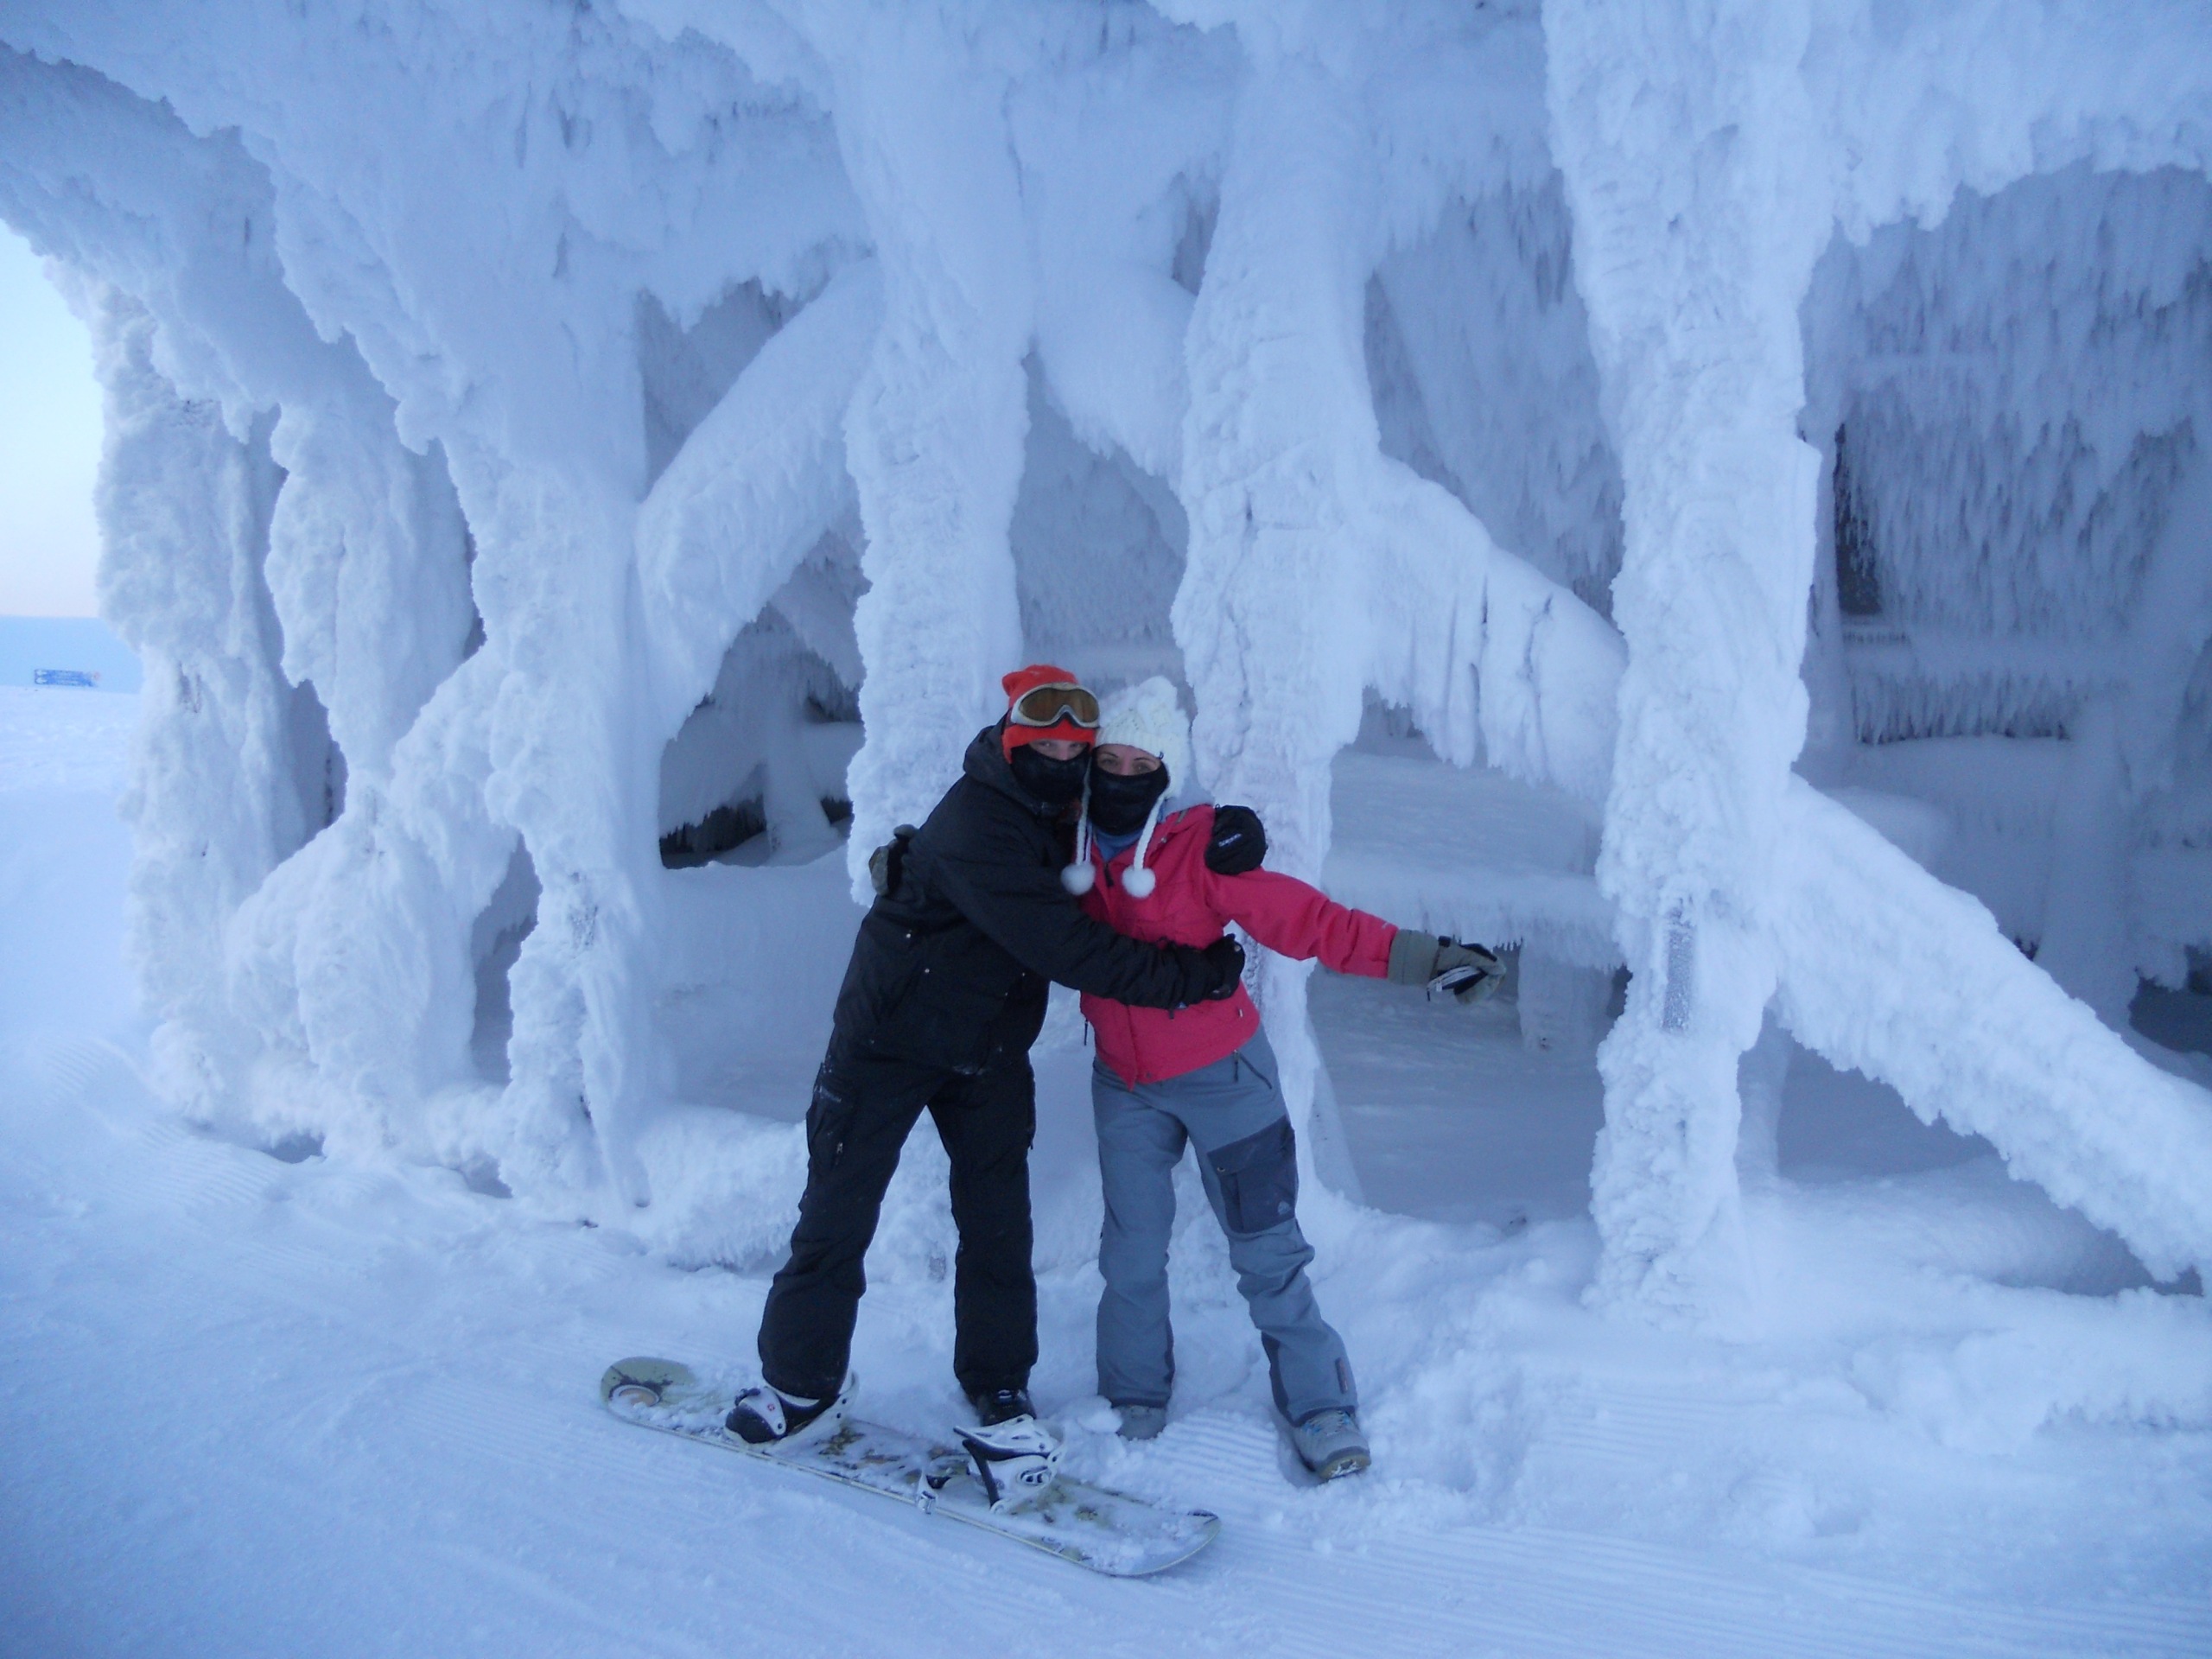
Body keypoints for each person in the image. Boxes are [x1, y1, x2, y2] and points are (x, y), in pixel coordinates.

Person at [724, 666, 1263, 1497]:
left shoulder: (1067, 806)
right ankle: (799, 1385)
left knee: (999, 1227)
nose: (1063, 760)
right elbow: (1068, 948)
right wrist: (1191, 978)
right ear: (1012, 740)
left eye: (1075, 750)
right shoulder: (979, 820)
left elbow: (1146, 817)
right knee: (837, 1212)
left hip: (986, 1050)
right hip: (887, 1041)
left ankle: (1000, 1387)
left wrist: (1227, 833)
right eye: (1045, 745)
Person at [1063, 677, 1502, 1481]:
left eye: (1142, 764)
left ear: (1167, 772)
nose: (1123, 777)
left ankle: (1319, 1403)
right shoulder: (1066, 842)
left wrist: (1425, 958)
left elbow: (1309, 921)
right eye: (1110, 761)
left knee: (1268, 1254)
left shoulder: (1200, 850)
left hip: (1225, 1078)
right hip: (1124, 1084)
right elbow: (985, 861)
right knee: (1129, 1253)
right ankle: (1131, 1395)